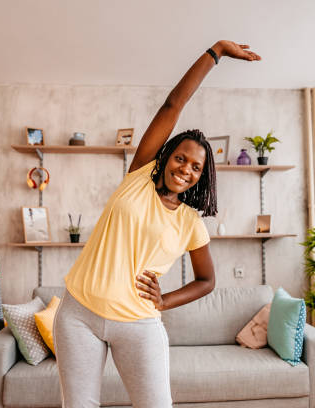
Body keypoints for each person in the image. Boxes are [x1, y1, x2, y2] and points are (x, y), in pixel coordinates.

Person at [53, 40, 261, 408]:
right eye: (181, 158)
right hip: (79, 315)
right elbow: (173, 105)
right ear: (166, 157)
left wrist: (164, 300)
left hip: (138, 323)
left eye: (196, 167)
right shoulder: (139, 175)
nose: (186, 169)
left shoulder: (190, 222)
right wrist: (217, 52)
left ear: (203, 176)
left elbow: (207, 281)